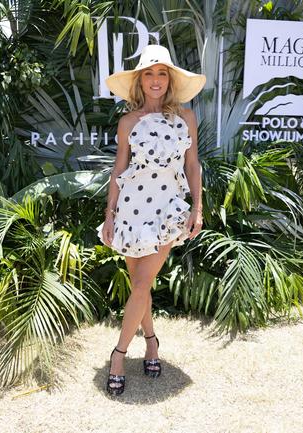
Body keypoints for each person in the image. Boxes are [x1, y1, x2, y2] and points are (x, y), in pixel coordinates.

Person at [96, 44, 206, 396]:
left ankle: (118, 354)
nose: (156, 80)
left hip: (168, 210)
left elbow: (192, 165)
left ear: (169, 80)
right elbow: (119, 170)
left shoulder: (186, 117)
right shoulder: (128, 122)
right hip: (131, 210)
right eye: (149, 73)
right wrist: (110, 215)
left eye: (162, 73)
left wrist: (198, 208)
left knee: (142, 284)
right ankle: (152, 342)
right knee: (138, 285)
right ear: (140, 81)